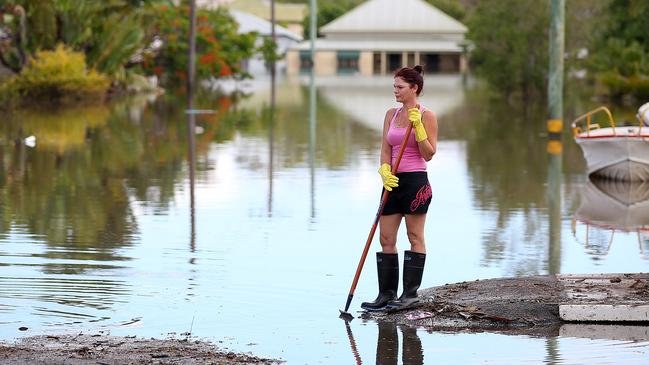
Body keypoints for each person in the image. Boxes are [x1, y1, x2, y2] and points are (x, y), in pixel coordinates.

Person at [361, 65, 438, 312]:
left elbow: (429, 155)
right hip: (392, 182)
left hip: (415, 182)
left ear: (414, 88)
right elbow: (386, 149)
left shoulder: (427, 115)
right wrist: (384, 171)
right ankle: (386, 295)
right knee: (386, 238)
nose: (395, 91)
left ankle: (410, 295)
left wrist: (419, 129)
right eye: (394, 86)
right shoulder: (390, 114)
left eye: (400, 87)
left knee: (414, 237)